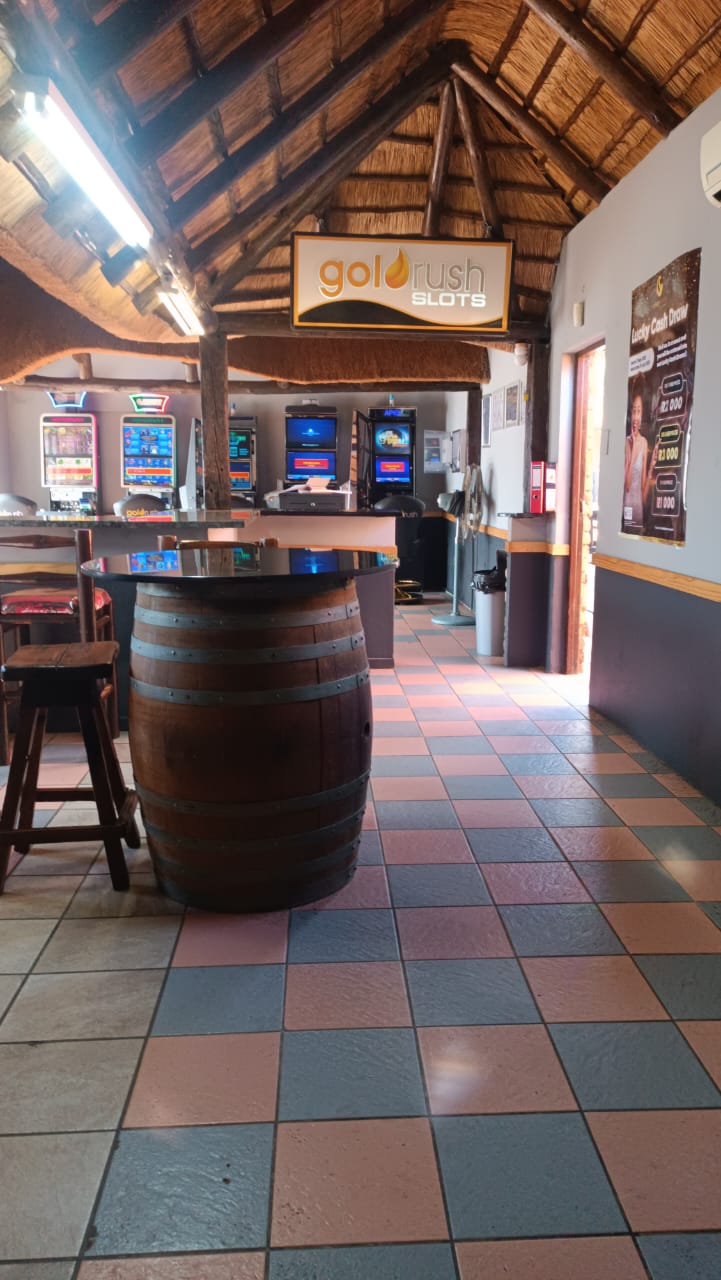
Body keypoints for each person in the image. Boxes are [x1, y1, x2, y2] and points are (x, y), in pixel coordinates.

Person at [623, 376, 658, 532]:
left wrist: (651, 466)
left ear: (642, 414)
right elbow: (627, 485)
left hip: (638, 515)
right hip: (626, 513)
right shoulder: (625, 443)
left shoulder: (644, 443)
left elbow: (643, 497)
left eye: (639, 411)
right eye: (634, 411)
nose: (636, 417)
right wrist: (632, 450)